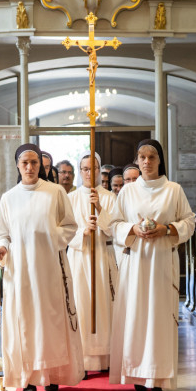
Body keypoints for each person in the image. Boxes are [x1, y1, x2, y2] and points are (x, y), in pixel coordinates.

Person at [0, 144, 84, 391]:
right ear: (17, 165)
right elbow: (2, 233)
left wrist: (49, 236)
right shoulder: (9, 197)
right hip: (20, 271)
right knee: (25, 324)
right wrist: (1, 247)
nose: (30, 167)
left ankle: (51, 374)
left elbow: (70, 226)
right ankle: (28, 381)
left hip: (48, 267)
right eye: (25, 163)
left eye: (34, 162)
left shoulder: (55, 192)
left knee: (50, 322)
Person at [108, 139, 195, 391]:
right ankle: (136, 373)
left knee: (159, 317)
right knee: (135, 315)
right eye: (142, 157)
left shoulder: (173, 190)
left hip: (162, 260)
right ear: (136, 160)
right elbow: (114, 224)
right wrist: (132, 229)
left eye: (152, 157)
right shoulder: (128, 191)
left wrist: (166, 229)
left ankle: (157, 379)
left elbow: (189, 222)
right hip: (135, 261)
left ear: (160, 160)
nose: (147, 162)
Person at [68, 153, 118, 373]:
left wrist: (99, 209)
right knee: (81, 304)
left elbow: (115, 229)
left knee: (104, 306)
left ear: (100, 171)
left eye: (94, 168)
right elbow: (64, 232)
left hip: (102, 257)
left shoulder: (109, 197)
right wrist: (82, 231)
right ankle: (82, 360)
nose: (90, 173)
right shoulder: (70, 198)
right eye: (85, 169)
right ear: (80, 171)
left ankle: (106, 358)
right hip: (79, 258)